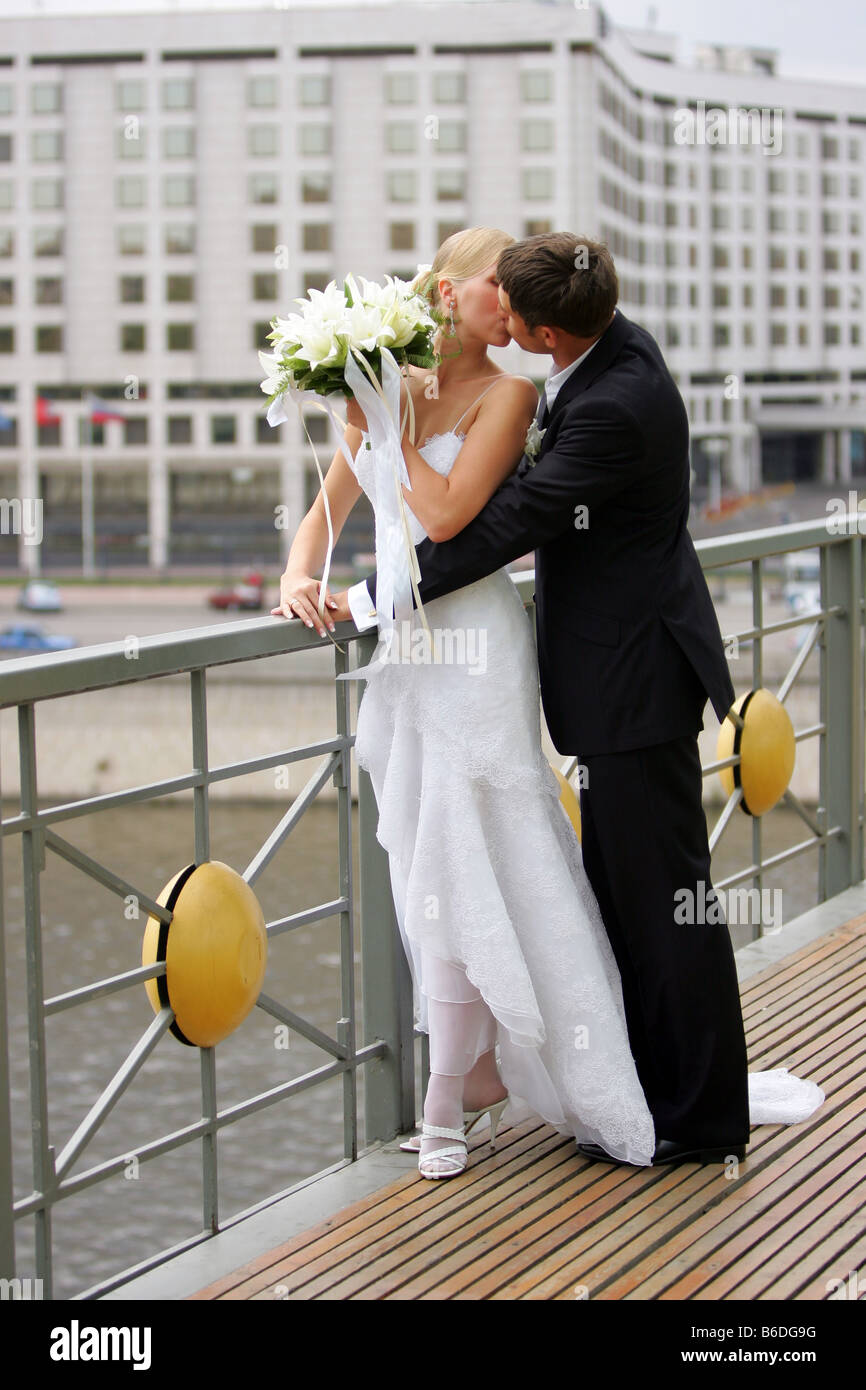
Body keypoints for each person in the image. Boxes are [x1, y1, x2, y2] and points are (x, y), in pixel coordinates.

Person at [276, 229, 823, 1176]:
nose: (503, 321)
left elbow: (505, 521)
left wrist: (369, 597)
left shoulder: (607, 399)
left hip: (632, 676)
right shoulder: (615, 353)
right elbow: (370, 504)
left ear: (537, 331)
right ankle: (660, 1085)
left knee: (668, 904)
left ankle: (698, 1121)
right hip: (606, 673)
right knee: (629, 891)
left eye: (511, 307)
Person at [273, 227, 658, 1178]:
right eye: (494, 285)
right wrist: (296, 573)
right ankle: (476, 1071)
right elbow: (331, 507)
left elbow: (446, 515)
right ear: (445, 293)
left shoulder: (512, 391)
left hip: (474, 642)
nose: (510, 305)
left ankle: (442, 1108)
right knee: (425, 864)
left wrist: (381, 414)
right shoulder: (389, 389)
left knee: (471, 844)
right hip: (408, 646)